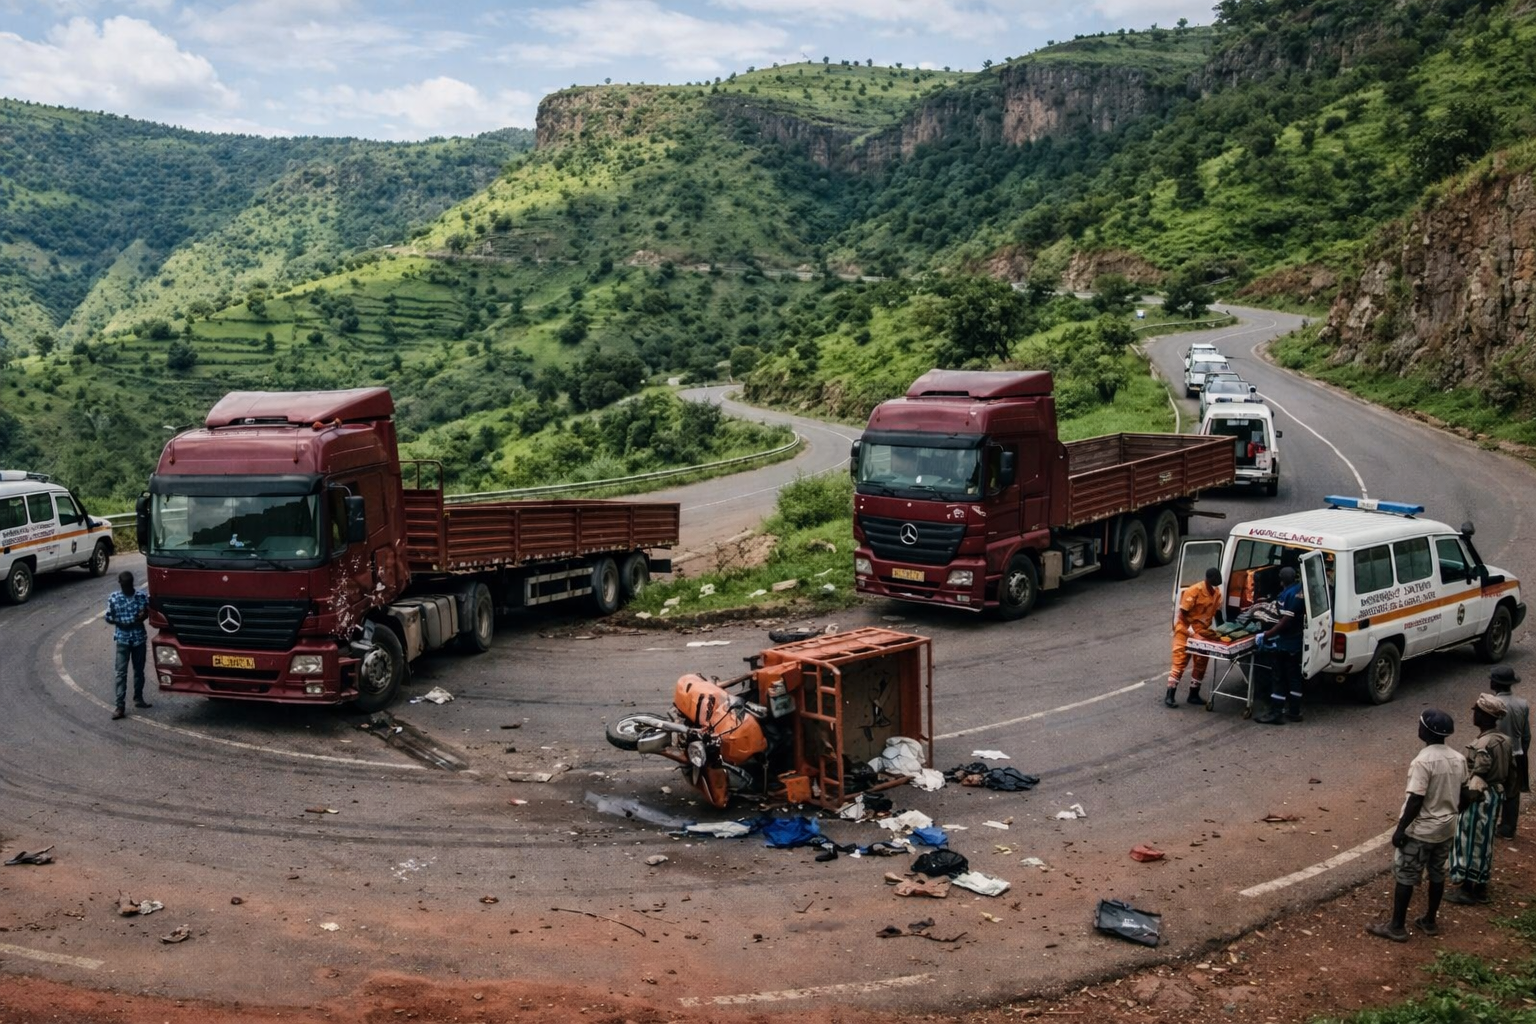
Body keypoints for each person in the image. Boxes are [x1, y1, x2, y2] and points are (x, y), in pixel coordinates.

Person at [1366, 708, 1467, 942]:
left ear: (1425, 731)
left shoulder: (1423, 761)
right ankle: (1430, 920)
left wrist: (1400, 829)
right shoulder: (1458, 758)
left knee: (1406, 875)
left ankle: (1397, 926)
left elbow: (1415, 799)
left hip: (1421, 830)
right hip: (1446, 828)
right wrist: (1452, 812)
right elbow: (1466, 794)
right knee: (1437, 874)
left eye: (1420, 724)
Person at [1448, 693, 1513, 905]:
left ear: (1485, 716)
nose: (1473, 713)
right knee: (1486, 841)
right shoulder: (1504, 740)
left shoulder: (1483, 743)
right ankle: (1481, 887)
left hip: (1480, 796)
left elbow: (1479, 774)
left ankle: (1467, 888)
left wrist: (1463, 801)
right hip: (1496, 794)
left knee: (1469, 840)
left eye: (1476, 710)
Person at [1166, 567, 1223, 708]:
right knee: (1179, 663)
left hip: (1202, 632)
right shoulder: (1194, 591)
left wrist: (1222, 630)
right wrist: (1192, 633)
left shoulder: (1216, 593)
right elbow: (1182, 615)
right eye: (1217, 579)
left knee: (1201, 663)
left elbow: (1216, 613)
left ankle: (1193, 694)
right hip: (1185, 631)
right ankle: (1170, 696)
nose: (1220, 581)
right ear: (1209, 578)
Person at [1255, 565, 1304, 725]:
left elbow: (1285, 622)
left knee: (1278, 678)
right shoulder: (1300, 590)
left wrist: (1266, 635)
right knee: (1294, 677)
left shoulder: (1287, 596)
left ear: (1282, 581)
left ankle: (1276, 713)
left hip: (1285, 644)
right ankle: (1295, 711)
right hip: (1297, 642)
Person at [105, 569, 151, 720]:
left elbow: (149, 611)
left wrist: (143, 616)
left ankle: (135, 699)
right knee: (122, 673)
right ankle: (122, 705)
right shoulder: (115, 598)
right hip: (124, 638)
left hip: (136, 638)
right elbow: (109, 618)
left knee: (136, 671)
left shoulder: (141, 596)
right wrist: (125, 623)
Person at [1492, 666, 1530, 839]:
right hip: (1517, 752)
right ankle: (1508, 828)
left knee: (1492, 789)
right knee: (1512, 793)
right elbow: (1526, 735)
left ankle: (1489, 824)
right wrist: (1522, 752)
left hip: (1496, 754)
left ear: (1495, 683)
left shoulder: (1491, 704)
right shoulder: (1522, 704)